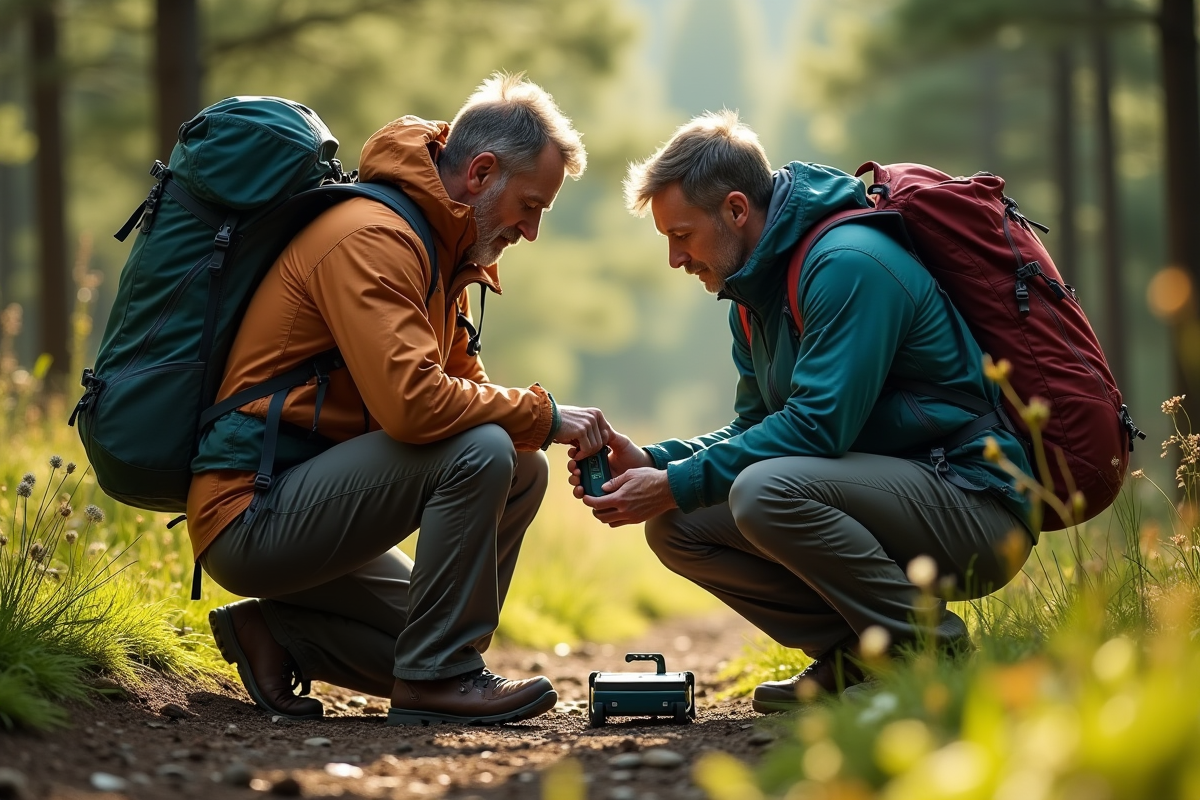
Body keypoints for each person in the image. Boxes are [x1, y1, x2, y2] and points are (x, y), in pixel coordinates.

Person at [570, 111, 1036, 711]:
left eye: (681, 235)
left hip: (974, 502)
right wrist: (658, 463)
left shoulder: (849, 265)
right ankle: (859, 655)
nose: (674, 258)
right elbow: (753, 427)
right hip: (891, 494)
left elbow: (817, 428)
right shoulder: (753, 297)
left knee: (762, 490)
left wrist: (677, 481)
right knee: (677, 524)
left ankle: (929, 656)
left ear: (736, 210)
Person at [191, 73, 611, 726]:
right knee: (486, 450)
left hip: (317, 503)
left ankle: (281, 636)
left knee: (520, 467)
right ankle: (439, 678)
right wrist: (547, 415)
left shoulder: (441, 254)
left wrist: (554, 428)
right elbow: (414, 405)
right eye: (530, 205)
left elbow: (466, 391)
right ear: (481, 172)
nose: (530, 231)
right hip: (254, 510)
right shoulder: (374, 237)